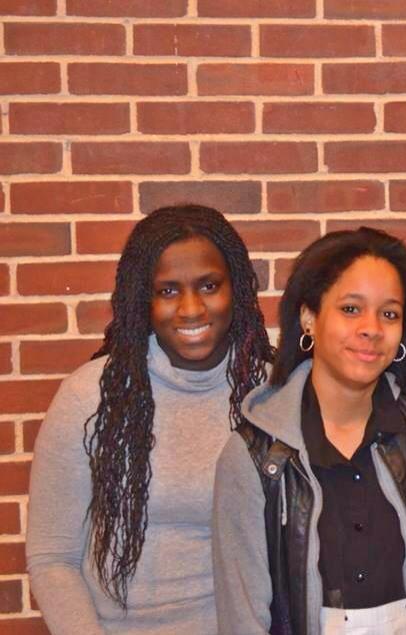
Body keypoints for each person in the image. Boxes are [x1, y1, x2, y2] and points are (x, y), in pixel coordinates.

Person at [211, 227, 406, 635]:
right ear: (309, 317)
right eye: (351, 309)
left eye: (389, 314)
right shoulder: (255, 457)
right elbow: (243, 617)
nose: (372, 329)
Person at [26, 205, 273, 634]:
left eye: (209, 285)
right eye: (168, 291)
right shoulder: (91, 398)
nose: (192, 309)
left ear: (236, 290)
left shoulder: (271, 396)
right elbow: (53, 557)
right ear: (143, 298)